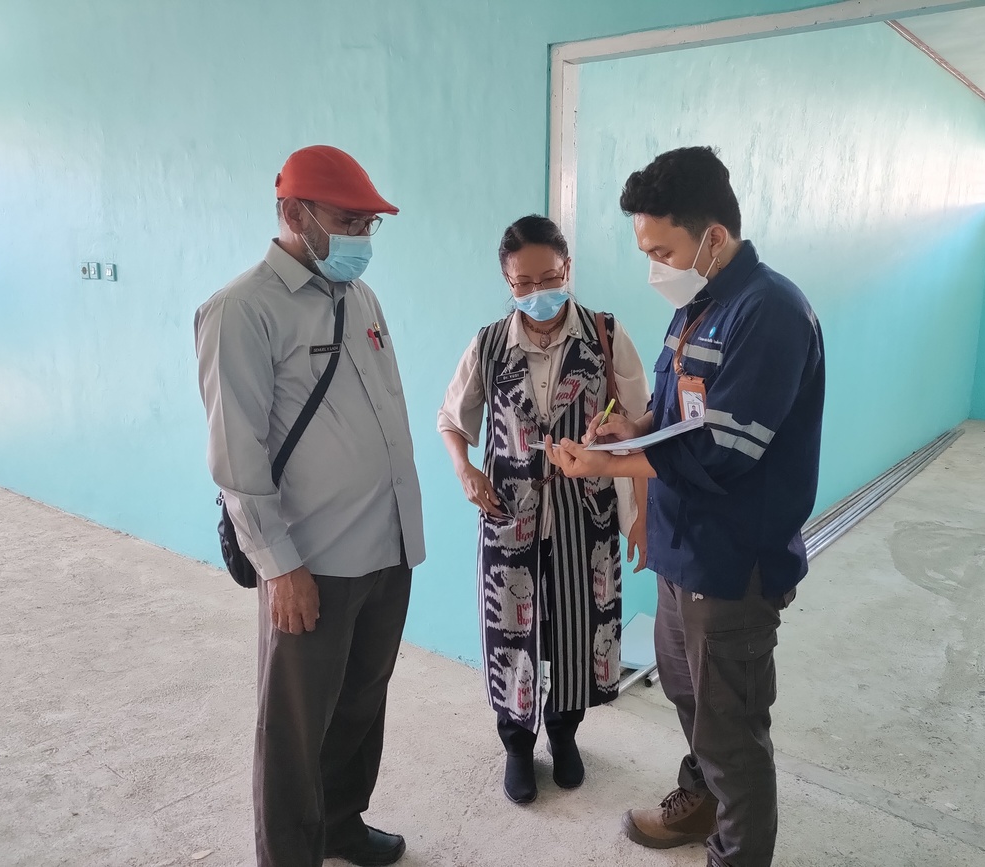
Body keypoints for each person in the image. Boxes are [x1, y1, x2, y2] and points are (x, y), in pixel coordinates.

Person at [545, 147, 825, 867]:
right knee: (689, 695)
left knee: (731, 730)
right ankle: (700, 805)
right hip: (682, 549)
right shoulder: (697, 307)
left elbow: (722, 452)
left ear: (714, 238)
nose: (654, 268)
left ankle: (736, 851)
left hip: (732, 562)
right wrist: (631, 428)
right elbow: (678, 414)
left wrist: (605, 465)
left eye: (661, 251)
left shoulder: (769, 312)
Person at [194, 145, 424, 867]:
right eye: (348, 221)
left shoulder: (360, 297)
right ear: (294, 214)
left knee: (362, 700)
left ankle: (342, 824)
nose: (361, 237)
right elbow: (237, 459)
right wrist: (279, 566)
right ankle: (290, 853)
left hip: (387, 545)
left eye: (368, 225)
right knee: (295, 728)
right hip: (312, 560)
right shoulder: (241, 310)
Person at [437, 215, 651, 805]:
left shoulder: (604, 335)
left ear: (567, 269)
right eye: (524, 283)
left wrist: (642, 515)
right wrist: (465, 469)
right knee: (512, 635)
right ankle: (516, 745)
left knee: (578, 632)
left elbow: (643, 427)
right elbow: (452, 419)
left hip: (587, 519)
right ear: (508, 282)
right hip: (511, 520)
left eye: (550, 278)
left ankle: (564, 734)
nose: (539, 293)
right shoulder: (489, 345)